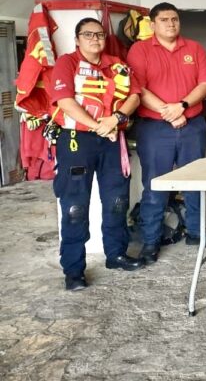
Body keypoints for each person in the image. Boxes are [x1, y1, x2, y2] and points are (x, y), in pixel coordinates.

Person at [48, 18, 144, 291]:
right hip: (77, 141)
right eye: (88, 34)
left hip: (112, 139)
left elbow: (135, 96)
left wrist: (115, 119)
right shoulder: (67, 63)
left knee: (116, 200)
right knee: (75, 208)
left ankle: (115, 254)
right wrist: (99, 126)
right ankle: (74, 270)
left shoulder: (117, 65)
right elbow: (65, 102)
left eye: (99, 34)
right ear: (77, 39)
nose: (94, 39)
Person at [126, 2, 206, 265]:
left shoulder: (195, 48)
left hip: (192, 125)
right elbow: (138, 88)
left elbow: (205, 83)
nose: (171, 24)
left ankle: (197, 233)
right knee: (155, 184)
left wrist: (182, 107)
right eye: (164, 20)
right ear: (153, 24)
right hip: (155, 128)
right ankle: (151, 242)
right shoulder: (140, 50)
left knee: (195, 182)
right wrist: (169, 112)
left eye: (175, 19)